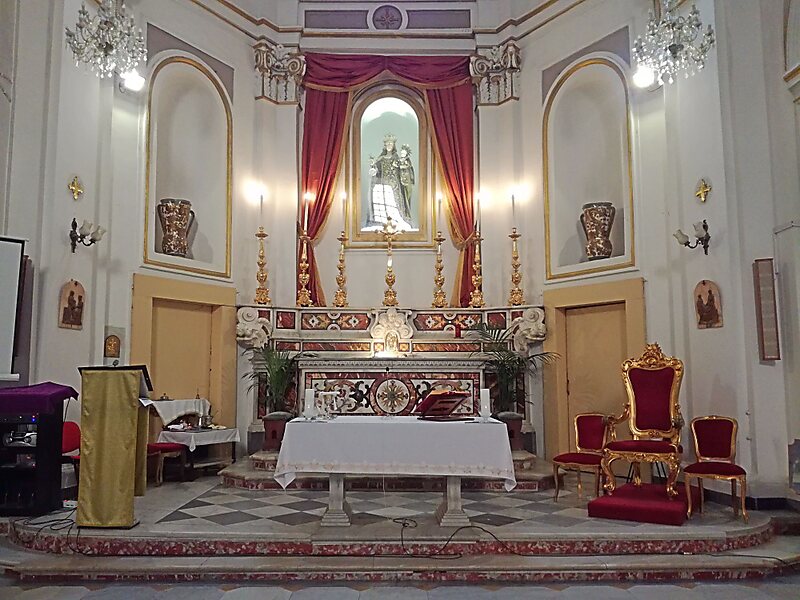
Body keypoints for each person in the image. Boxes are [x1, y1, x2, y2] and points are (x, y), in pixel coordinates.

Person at [366, 133, 414, 230]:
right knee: (384, 205)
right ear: (384, 145)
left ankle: (398, 222)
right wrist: (374, 169)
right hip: (384, 187)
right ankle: (384, 223)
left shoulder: (397, 158)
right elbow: (377, 172)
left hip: (395, 187)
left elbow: (405, 170)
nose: (389, 145)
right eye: (387, 143)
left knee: (396, 204)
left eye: (391, 144)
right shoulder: (381, 159)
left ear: (393, 145)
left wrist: (404, 169)